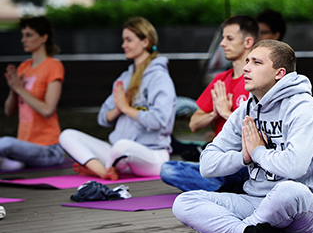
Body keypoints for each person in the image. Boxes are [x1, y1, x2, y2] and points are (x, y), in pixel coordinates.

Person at [172, 40, 313, 233]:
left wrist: (258, 151)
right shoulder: (247, 109)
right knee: (184, 202)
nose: (246, 67)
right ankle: (248, 232)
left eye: (257, 62)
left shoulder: (303, 107)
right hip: (255, 201)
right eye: (247, 61)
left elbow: (295, 167)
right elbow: (206, 165)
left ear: (279, 73)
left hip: (306, 209)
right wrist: (243, 156)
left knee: (288, 190)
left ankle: (245, 226)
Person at [59, 17, 176, 180]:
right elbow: (103, 118)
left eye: (129, 40)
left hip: (150, 156)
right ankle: (103, 171)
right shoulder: (125, 78)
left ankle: (102, 168)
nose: (123, 45)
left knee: (121, 147)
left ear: (145, 42)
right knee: (67, 135)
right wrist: (118, 109)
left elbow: (159, 120)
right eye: (123, 40)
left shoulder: (160, 78)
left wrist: (127, 109)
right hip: (118, 155)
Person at [160, 15, 258, 191]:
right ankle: (230, 190)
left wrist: (227, 113)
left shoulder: (257, 80)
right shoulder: (220, 80)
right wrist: (215, 113)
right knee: (168, 169)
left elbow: (261, 129)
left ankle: (229, 189)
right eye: (222, 38)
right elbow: (194, 124)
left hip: (246, 161)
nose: (222, 44)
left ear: (248, 42)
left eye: (229, 38)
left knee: (235, 170)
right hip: (221, 160)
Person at [1, 16, 65, 171]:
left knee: (5, 143)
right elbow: (8, 111)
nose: (23, 40)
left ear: (44, 37)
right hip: (24, 147)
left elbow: (47, 110)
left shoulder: (53, 66)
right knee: (7, 146)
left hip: (49, 149)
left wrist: (20, 89)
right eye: (23, 35)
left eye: (29, 35)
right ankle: (13, 165)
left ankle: (10, 164)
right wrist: (13, 89)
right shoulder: (24, 67)